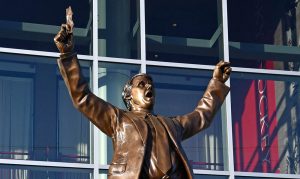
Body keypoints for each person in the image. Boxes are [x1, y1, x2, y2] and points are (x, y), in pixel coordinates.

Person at [54, 23, 231, 179]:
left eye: (150, 85)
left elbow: (202, 116)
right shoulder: (119, 120)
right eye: (142, 84)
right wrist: (68, 54)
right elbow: (83, 97)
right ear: (129, 96)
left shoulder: (172, 124)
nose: (148, 87)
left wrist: (217, 83)